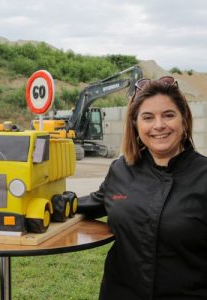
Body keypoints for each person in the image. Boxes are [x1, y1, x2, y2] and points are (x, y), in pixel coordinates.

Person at [77, 76, 207, 300]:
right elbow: (92, 203)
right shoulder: (121, 170)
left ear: (184, 120)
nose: (159, 125)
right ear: (136, 125)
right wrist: (57, 203)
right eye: (148, 117)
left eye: (168, 115)